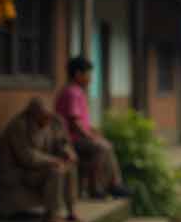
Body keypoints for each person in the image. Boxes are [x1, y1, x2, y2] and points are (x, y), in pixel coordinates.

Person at [55, 57, 130, 199]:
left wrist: (95, 132)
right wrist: (90, 136)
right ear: (78, 74)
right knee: (102, 147)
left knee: (106, 145)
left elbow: (83, 122)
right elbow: (74, 122)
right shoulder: (72, 92)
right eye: (88, 74)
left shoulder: (77, 92)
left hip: (79, 137)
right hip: (70, 139)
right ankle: (97, 188)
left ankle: (113, 184)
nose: (90, 78)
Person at [0, 98, 79, 222]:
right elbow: (27, 157)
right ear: (32, 115)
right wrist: (55, 160)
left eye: (48, 116)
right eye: (43, 117)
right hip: (21, 172)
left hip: (39, 168)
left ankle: (71, 212)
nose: (47, 121)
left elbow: (61, 142)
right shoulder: (18, 126)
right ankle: (51, 216)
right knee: (55, 172)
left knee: (69, 168)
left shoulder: (52, 122)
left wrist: (67, 152)